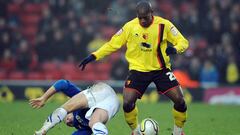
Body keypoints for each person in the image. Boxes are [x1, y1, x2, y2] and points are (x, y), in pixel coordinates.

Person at [79, 1, 189, 135]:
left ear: (151, 13)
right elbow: (112, 44)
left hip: (161, 70)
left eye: (145, 17)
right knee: (127, 103)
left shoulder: (164, 25)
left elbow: (183, 42)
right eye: (140, 17)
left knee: (180, 100)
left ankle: (178, 132)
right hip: (138, 71)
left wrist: (175, 49)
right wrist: (94, 55)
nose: (142, 20)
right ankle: (135, 132)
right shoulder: (130, 27)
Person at [29, 79, 120, 135]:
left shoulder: (77, 99)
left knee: (66, 107)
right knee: (94, 122)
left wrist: (44, 98)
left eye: (66, 118)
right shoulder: (84, 128)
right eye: (69, 124)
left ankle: (43, 130)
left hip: (102, 91)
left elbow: (62, 83)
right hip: (113, 103)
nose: (68, 121)